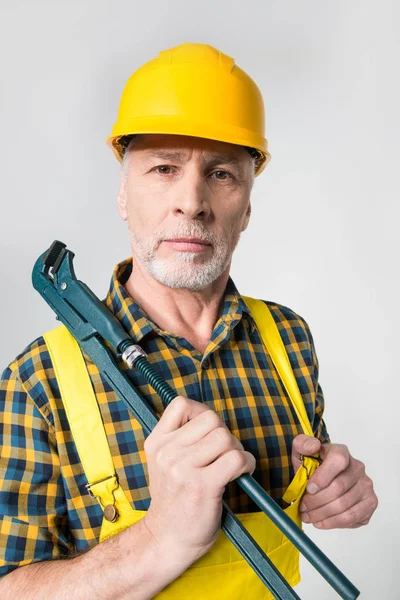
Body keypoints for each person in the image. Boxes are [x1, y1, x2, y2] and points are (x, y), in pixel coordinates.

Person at [0, 42, 377, 599]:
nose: (192, 202)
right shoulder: (39, 381)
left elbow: (316, 481)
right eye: (164, 168)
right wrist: (161, 540)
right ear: (124, 195)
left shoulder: (288, 339)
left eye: (222, 174)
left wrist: (336, 490)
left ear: (248, 204)